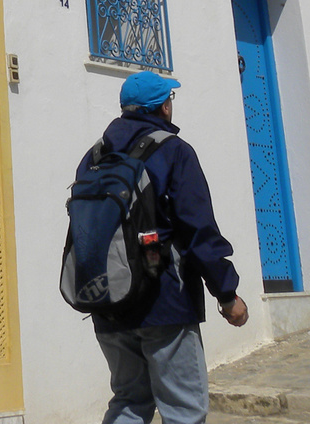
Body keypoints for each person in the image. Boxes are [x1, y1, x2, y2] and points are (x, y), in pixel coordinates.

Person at [80, 70, 248, 424]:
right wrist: (227, 293)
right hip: (164, 301)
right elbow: (198, 228)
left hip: (107, 301)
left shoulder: (93, 156)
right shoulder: (174, 152)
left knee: (128, 402)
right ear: (163, 108)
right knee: (184, 408)